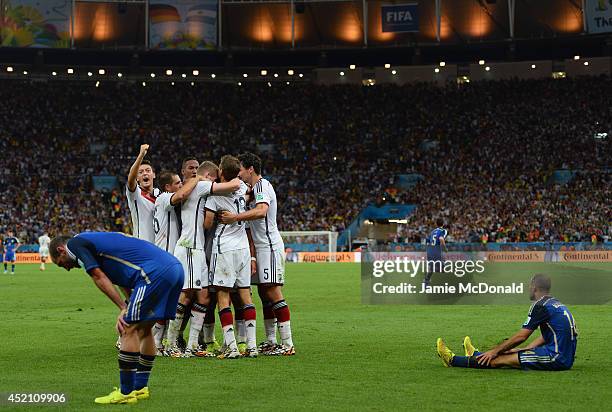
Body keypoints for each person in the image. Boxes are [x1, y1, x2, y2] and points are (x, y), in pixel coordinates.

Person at [49, 232, 184, 404]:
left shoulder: (75, 245)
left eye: (61, 264)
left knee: (127, 329)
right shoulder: (99, 244)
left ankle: (126, 393)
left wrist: (122, 309)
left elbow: (98, 276)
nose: (67, 268)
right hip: (175, 268)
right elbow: (122, 278)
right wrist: (127, 305)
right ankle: (140, 388)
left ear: (61, 250)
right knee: (143, 329)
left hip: (153, 272)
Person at [220, 152, 295, 355]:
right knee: (263, 293)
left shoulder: (263, 186)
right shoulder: (255, 189)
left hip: (269, 246)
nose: (240, 174)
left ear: (250, 169)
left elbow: (261, 211)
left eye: (241, 170)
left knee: (272, 290)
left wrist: (235, 217)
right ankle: (271, 341)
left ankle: (287, 344)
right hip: (261, 248)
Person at [165, 161, 240, 357]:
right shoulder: (201, 185)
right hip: (189, 246)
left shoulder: (197, 186)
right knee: (186, 294)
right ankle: (170, 343)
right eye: (214, 177)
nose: (215, 181)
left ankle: (192, 346)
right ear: (208, 175)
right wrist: (243, 174)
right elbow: (233, 185)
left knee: (204, 296)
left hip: (196, 248)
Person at [437, 273, 578, 371]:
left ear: (534, 287)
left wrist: (495, 351)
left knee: (498, 360)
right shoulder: (555, 303)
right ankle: (474, 354)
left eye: (530, 286)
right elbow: (546, 335)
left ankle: (452, 360)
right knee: (510, 353)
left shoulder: (540, 306)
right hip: (562, 356)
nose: (528, 288)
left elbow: (521, 336)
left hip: (556, 358)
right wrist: (524, 349)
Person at [206, 155, 258, 359]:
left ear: (220, 171)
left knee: (223, 296)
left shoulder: (214, 196)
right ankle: (252, 346)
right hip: (243, 248)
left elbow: (208, 223)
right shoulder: (243, 189)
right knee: (245, 295)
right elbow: (248, 195)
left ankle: (232, 347)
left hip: (225, 247)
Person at [151, 171, 200, 355]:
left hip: (166, 258)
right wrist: (198, 179)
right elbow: (181, 195)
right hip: (165, 258)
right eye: (178, 183)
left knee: (167, 302)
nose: (181, 185)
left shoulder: (165, 201)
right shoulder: (164, 198)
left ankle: (159, 343)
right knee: (168, 302)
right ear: (167, 187)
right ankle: (158, 342)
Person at [126, 144, 158, 243]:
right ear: (137, 178)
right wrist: (141, 155)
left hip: (160, 247)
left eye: (148, 171)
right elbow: (130, 180)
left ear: (154, 175)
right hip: (142, 246)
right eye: (140, 172)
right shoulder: (135, 194)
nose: (145, 173)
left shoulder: (161, 195)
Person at [423, 219, 448, 287]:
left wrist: (427, 249)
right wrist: (445, 248)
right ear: (443, 224)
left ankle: (426, 282)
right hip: (436, 250)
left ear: (436, 224)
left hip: (430, 250)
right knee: (443, 262)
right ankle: (440, 269)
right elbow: (441, 239)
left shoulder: (433, 231)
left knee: (432, 267)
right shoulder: (443, 231)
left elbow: (427, 241)